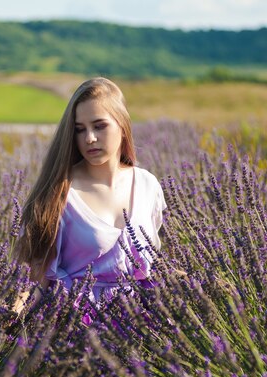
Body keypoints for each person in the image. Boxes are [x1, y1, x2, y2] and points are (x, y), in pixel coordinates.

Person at [15, 77, 166, 309]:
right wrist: (6, 317)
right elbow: (35, 279)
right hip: (78, 328)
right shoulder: (59, 192)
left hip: (143, 325)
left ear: (122, 125)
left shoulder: (148, 185)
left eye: (99, 126)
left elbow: (156, 262)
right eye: (79, 130)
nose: (89, 138)